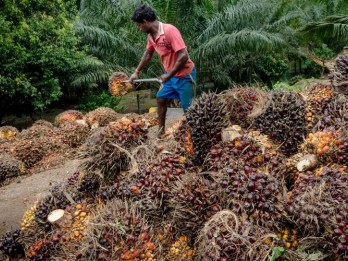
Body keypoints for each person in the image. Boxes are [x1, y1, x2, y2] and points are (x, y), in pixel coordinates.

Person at [130, 5, 196, 137]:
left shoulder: (169, 30)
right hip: (169, 76)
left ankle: (194, 135)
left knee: (189, 109)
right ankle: (161, 132)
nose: (139, 28)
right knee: (161, 98)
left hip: (184, 75)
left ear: (145, 21)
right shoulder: (151, 36)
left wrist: (169, 75)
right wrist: (137, 71)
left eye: (139, 25)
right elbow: (148, 54)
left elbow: (183, 56)